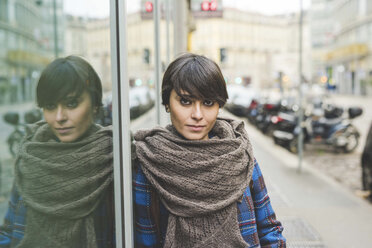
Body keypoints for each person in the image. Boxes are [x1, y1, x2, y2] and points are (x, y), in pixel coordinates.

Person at [133, 53, 286, 247]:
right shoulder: (150, 161)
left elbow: (269, 230)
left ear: (219, 105)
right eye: (185, 101)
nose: (197, 115)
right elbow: (146, 241)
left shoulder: (239, 154)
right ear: (167, 103)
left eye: (207, 103)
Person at [0, 56, 115, 248]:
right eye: (51, 107)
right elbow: (10, 230)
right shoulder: (31, 156)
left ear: (95, 104)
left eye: (71, 104)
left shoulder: (114, 158)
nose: (59, 117)